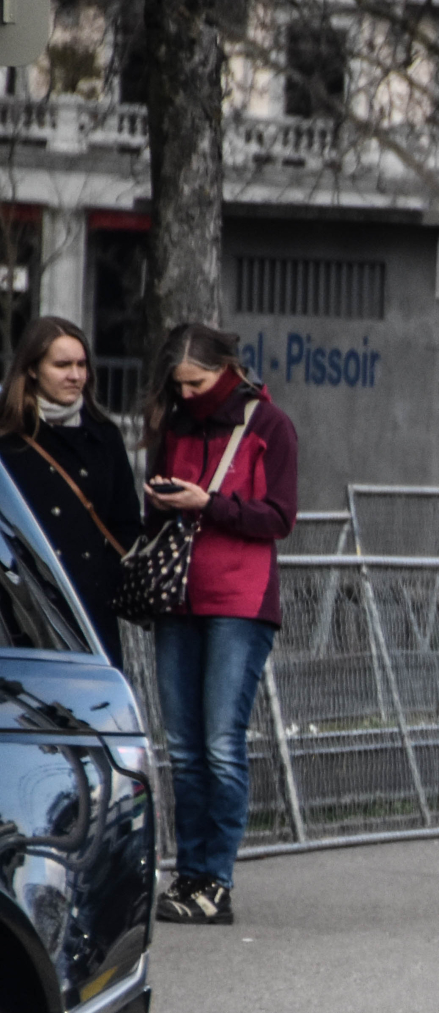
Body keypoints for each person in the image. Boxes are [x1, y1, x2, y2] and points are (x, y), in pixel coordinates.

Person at [142, 325, 300, 927]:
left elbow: (280, 517)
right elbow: (153, 510)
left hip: (239, 600)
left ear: (226, 370)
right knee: (183, 748)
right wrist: (161, 502)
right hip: (178, 597)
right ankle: (189, 874)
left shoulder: (269, 426)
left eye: (197, 383)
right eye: (178, 385)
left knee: (219, 744)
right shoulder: (176, 423)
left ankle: (216, 880)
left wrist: (207, 504)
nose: (186, 395)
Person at [0, 317, 143, 666]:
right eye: (62, 365)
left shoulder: (104, 436)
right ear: (32, 369)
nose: (76, 375)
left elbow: (125, 522)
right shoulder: (8, 438)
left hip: (89, 610)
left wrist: (104, 581)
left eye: (82, 365)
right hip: (19, 611)